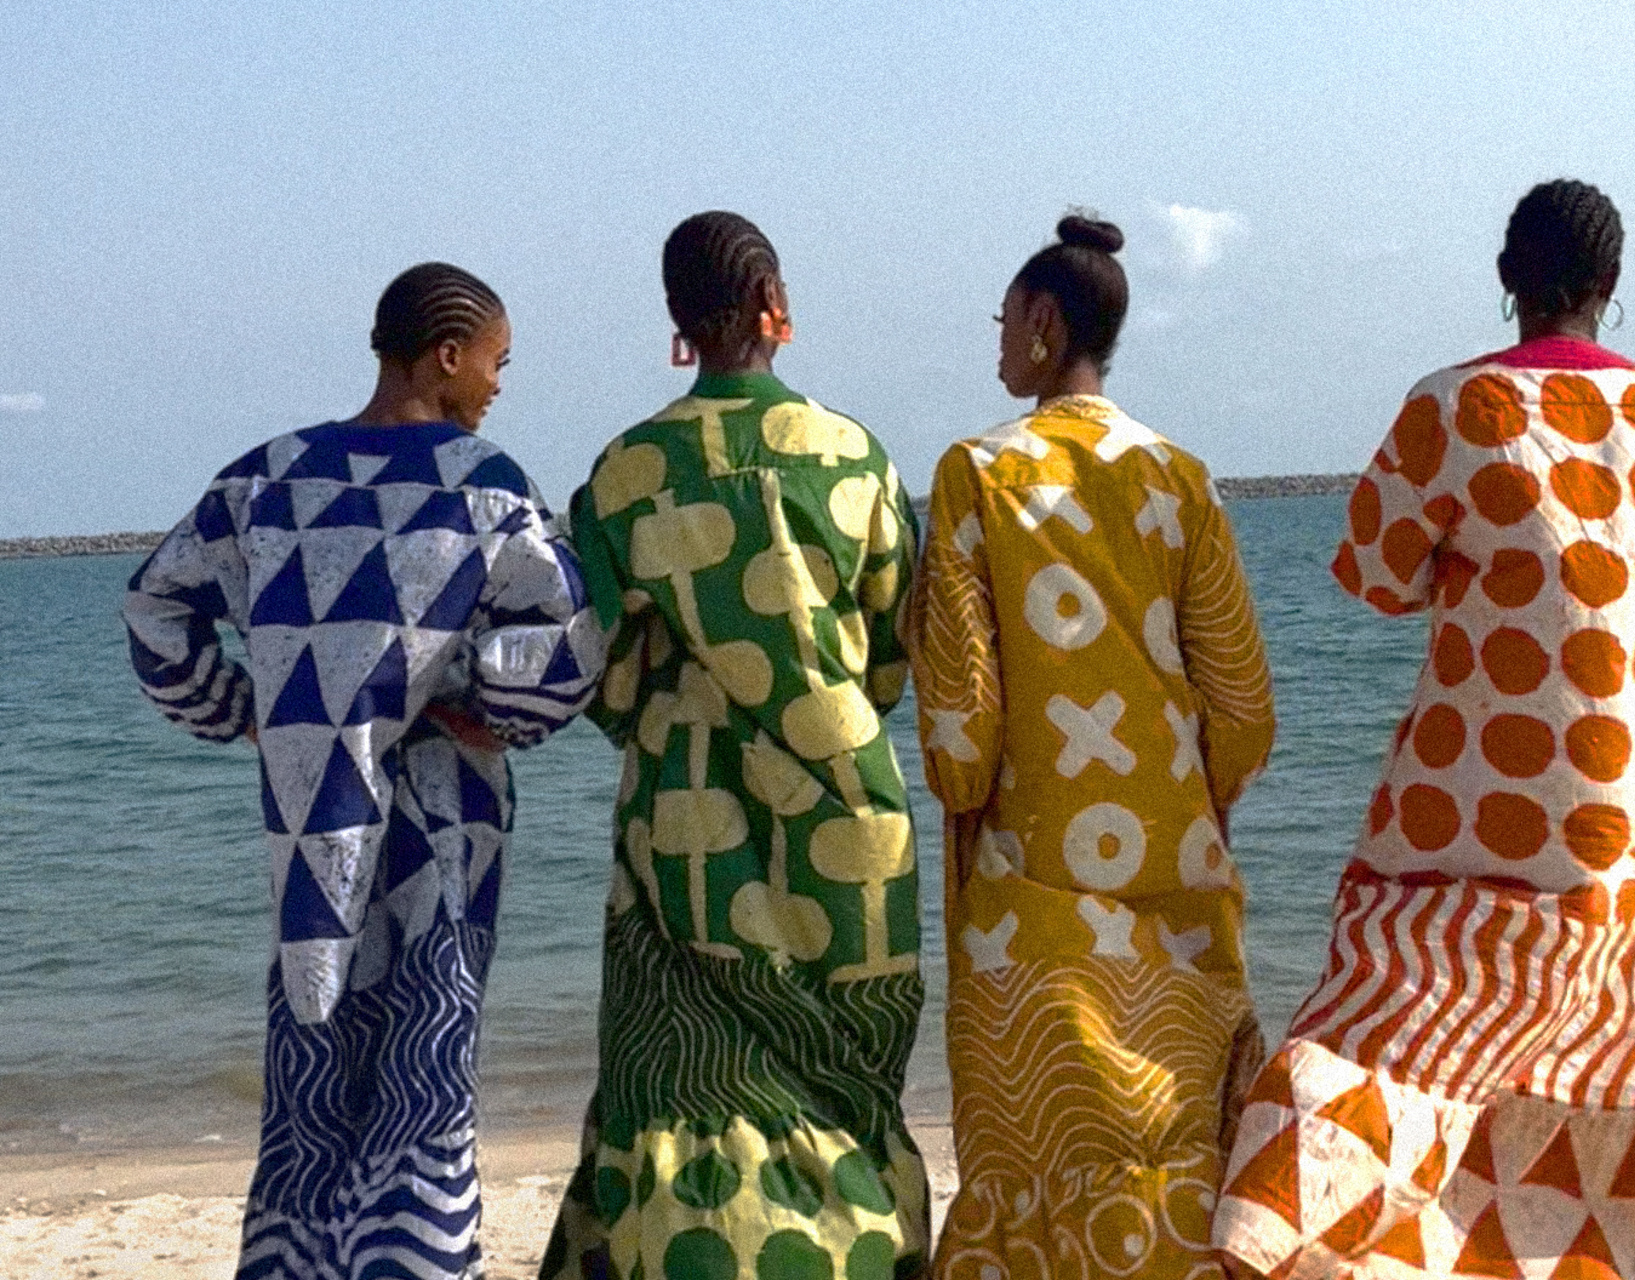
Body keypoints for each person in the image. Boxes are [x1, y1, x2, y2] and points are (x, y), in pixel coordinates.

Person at [1212, 180, 1635, 1277]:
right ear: (1611, 288)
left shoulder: (1455, 407)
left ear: (1507, 276)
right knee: (1611, 1060)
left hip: (1472, 807)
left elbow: (1375, 570)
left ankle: (1274, 1232)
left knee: (1372, 1023)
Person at [124, 261, 604, 1280]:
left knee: (309, 1068)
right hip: (442, 823)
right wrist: (478, 695)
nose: (498, 385)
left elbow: (155, 609)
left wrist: (248, 712)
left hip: (307, 834)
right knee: (426, 1074)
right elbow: (569, 645)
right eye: (495, 361)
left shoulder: (268, 476)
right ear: (446, 353)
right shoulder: (480, 482)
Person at [539, 211, 928, 1280]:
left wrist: (671, 708)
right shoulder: (855, 455)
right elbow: (895, 655)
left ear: (677, 323)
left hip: (682, 821)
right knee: (845, 1082)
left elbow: (596, 672)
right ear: (775, 308)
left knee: (678, 1083)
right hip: (847, 814)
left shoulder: (625, 473)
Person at [909, 214, 1277, 1279]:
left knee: (1032, 1174)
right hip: (1179, 888)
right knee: (1174, 1157)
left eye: (1003, 319)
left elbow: (962, 740)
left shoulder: (977, 473)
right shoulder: (1181, 476)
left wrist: (970, 782)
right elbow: (1245, 704)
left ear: (1041, 320)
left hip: (1028, 901)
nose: (995, 341)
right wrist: (1194, 799)